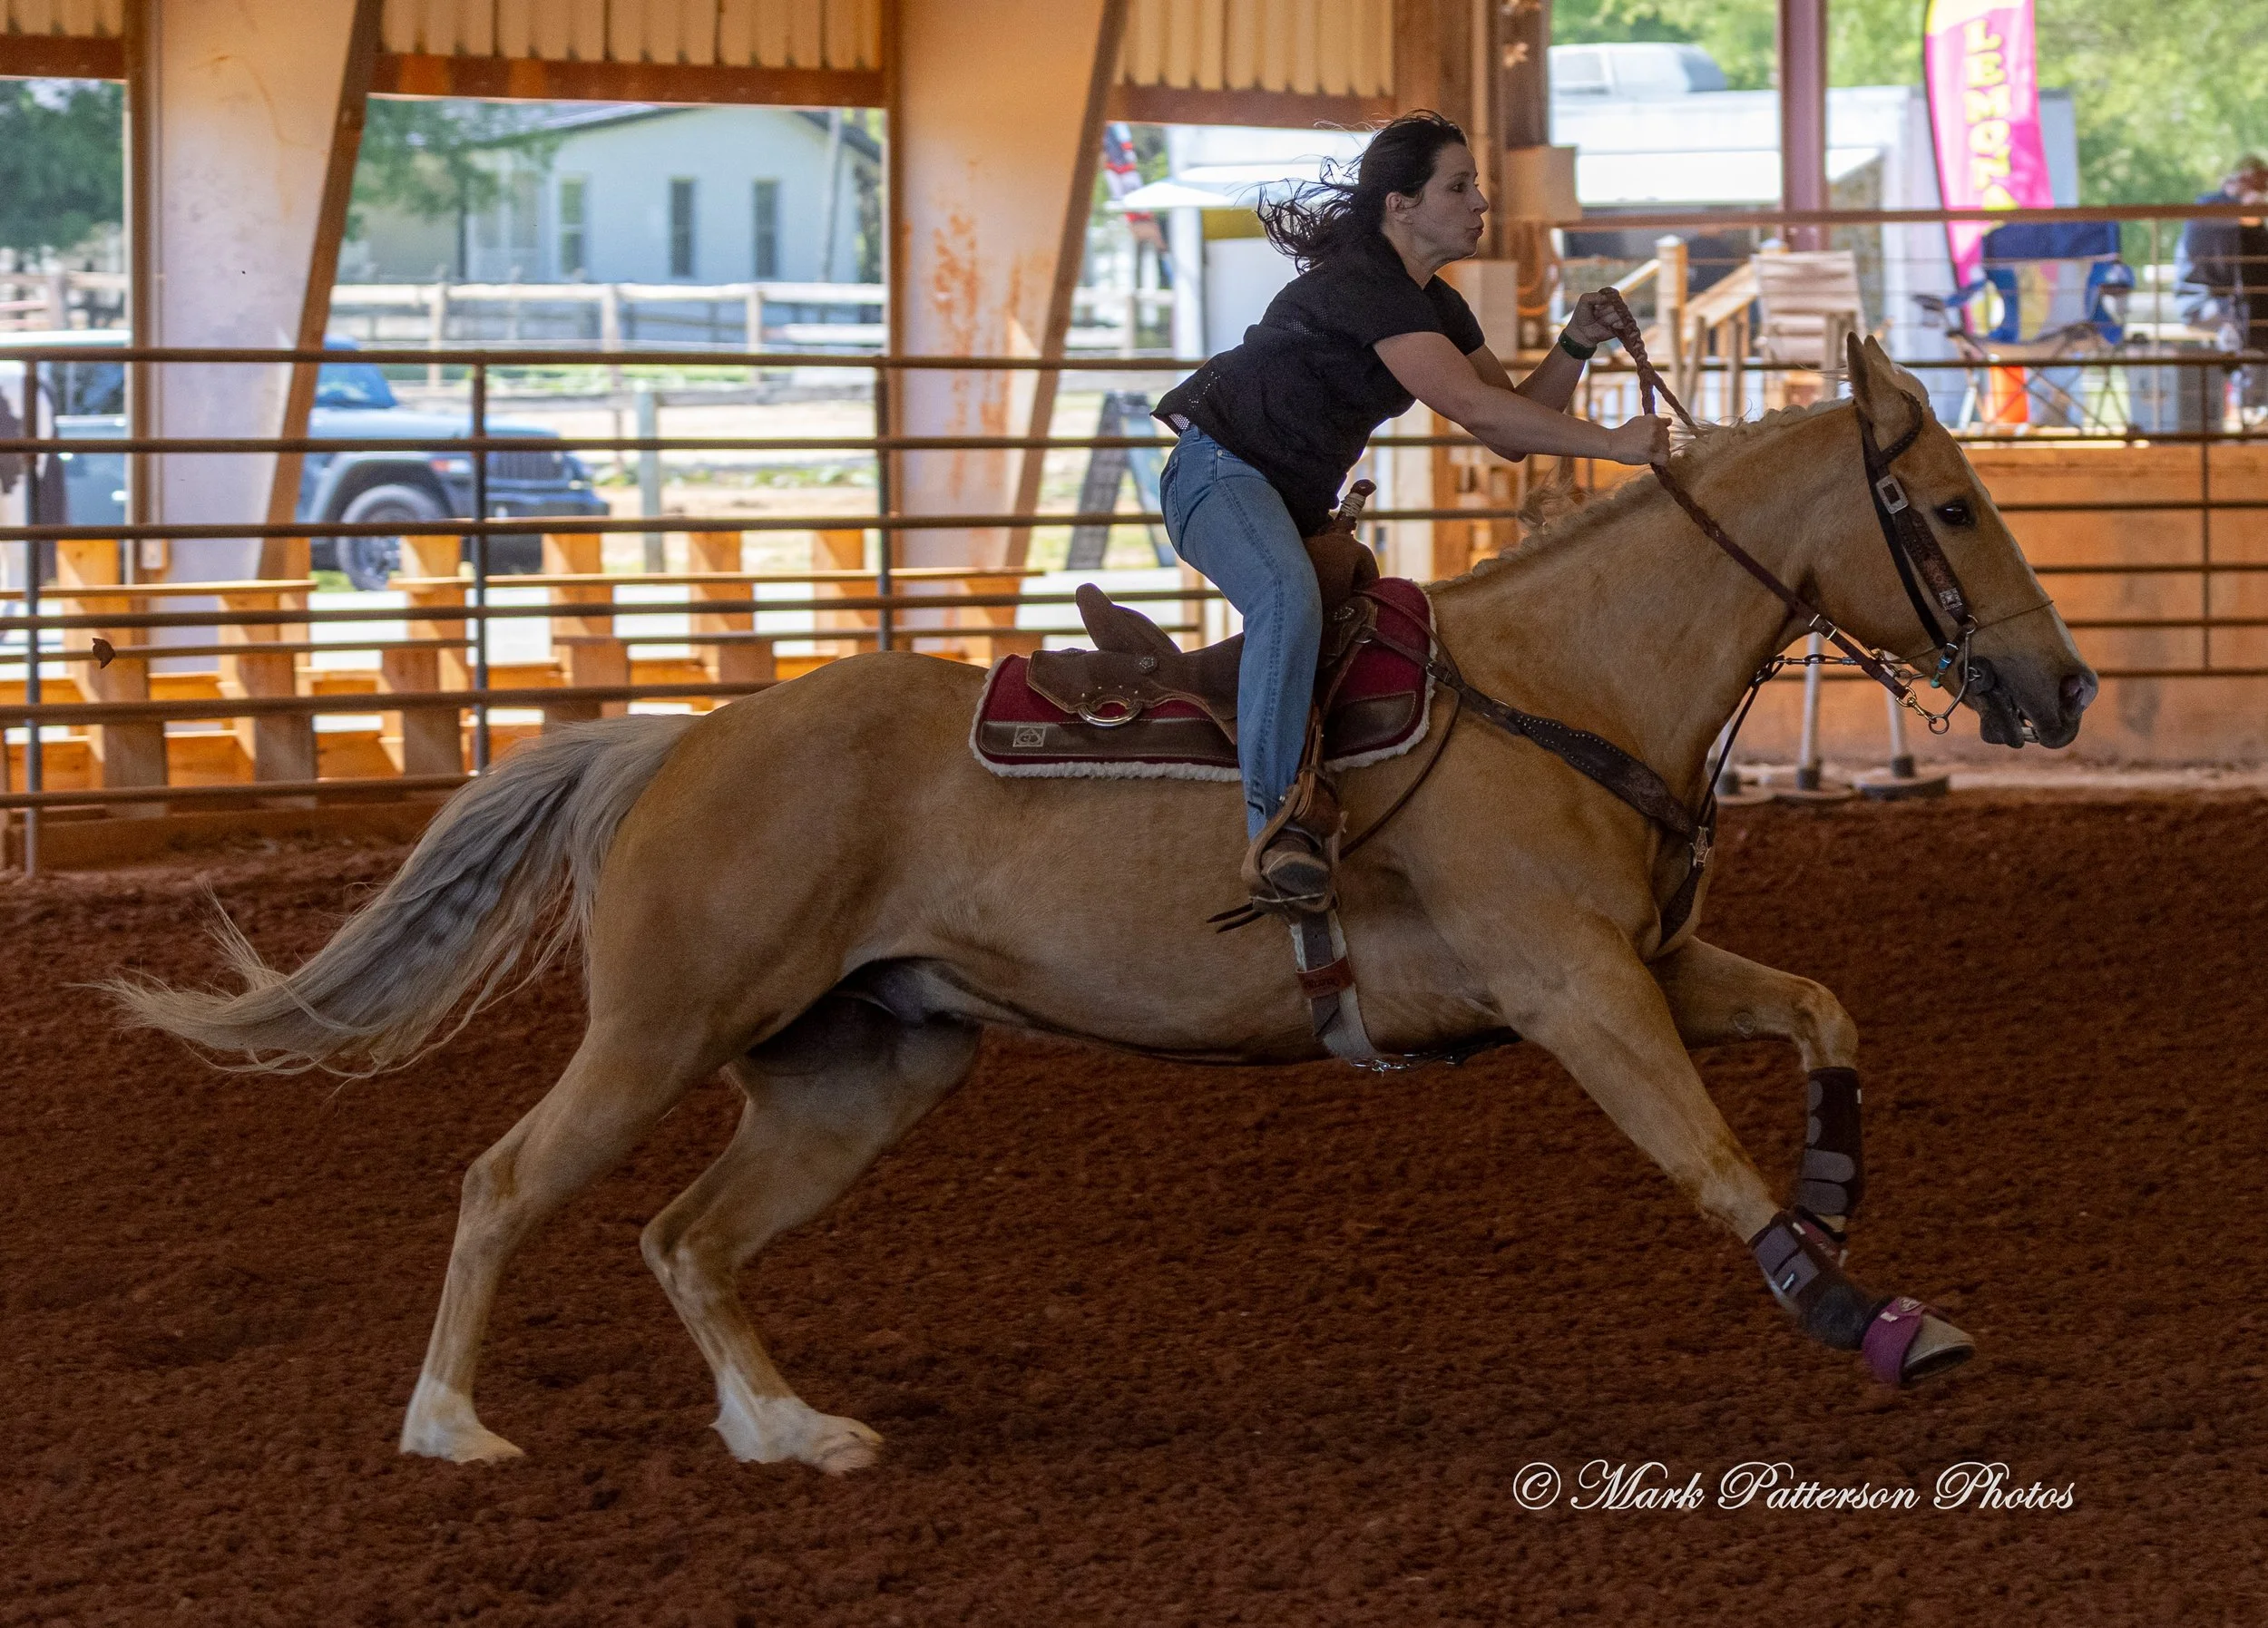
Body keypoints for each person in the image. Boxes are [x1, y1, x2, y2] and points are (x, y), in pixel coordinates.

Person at [1153, 110, 1667, 914]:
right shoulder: (1367, 285)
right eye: (1458, 187)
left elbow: (1508, 428)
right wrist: (1612, 443)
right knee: (1287, 596)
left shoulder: (1435, 305)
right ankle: (1274, 834)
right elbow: (1480, 409)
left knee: (1368, 622)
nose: (1480, 203)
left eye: (1475, 186)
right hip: (1216, 473)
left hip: (1278, 496)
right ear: (1401, 204)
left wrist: (1574, 343)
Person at [2175, 156, 2268, 412]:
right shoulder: (2210, 210)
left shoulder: (2243, 223)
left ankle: (2254, 402)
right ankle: (2251, 403)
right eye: (2255, 184)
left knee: (2254, 312)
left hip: (2237, 303)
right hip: (2200, 302)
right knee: (2250, 317)